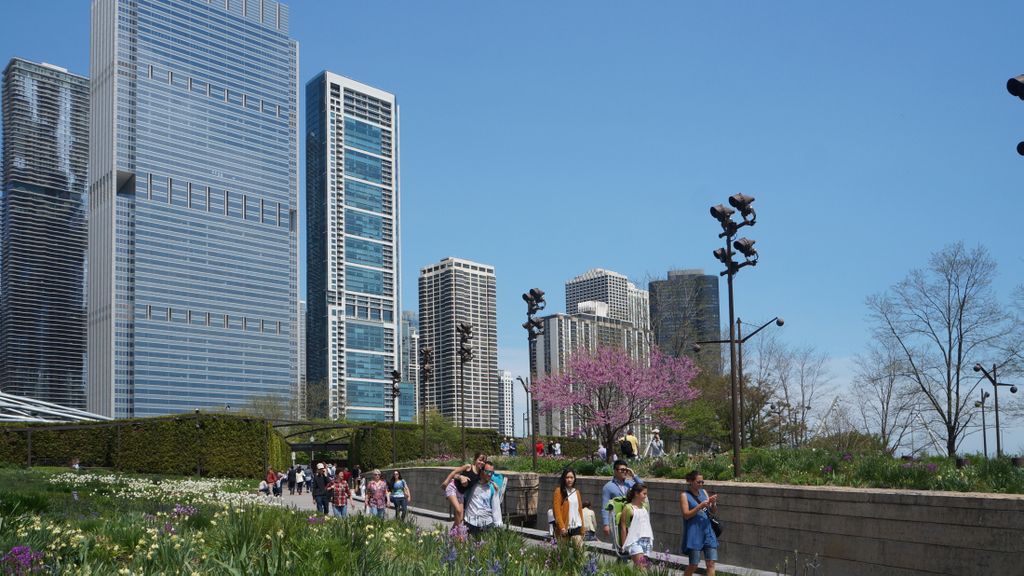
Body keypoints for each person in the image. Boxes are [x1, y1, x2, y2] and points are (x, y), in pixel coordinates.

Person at [681, 470, 719, 576]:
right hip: (694, 533)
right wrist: (699, 506)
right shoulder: (685, 495)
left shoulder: (704, 492)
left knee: (711, 563)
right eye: (698, 482)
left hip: (708, 532)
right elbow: (686, 515)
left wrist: (713, 504)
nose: (701, 484)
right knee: (694, 565)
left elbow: (712, 511)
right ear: (690, 481)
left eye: (702, 482)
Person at [441, 452, 487, 529]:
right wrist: (446, 482)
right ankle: (456, 535)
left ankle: (452, 534)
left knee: (460, 518)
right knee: (458, 511)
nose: (481, 462)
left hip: (461, 493)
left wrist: (494, 484)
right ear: (475, 459)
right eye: (480, 460)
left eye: (483, 461)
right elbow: (455, 472)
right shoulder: (468, 467)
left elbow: (488, 478)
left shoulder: (480, 474)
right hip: (453, 487)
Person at [601, 460, 642, 538]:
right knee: (620, 543)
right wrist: (606, 524)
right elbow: (605, 506)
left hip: (632, 518)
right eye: (622, 470)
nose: (625, 472)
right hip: (617, 520)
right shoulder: (608, 487)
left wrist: (634, 475)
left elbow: (642, 488)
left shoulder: (630, 483)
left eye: (626, 470)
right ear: (615, 471)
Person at [462, 460, 503, 536]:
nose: (489, 474)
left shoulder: (493, 488)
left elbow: (496, 509)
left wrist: (499, 527)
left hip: (486, 524)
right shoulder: (472, 484)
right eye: (487, 472)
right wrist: (460, 477)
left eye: (491, 472)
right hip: (470, 523)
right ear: (481, 471)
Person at [619, 482, 654, 568]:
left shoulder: (645, 506)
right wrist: (624, 546)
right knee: (641, 568)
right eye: (644, 493)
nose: (646, 496)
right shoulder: (628, 508)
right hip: (634, 541)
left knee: (643, 568)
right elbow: (623, 527)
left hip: (646, 540)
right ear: (636, 493)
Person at [552, 468, 584, 546]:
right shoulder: (559, 491)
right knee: (563, 554)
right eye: (567, 477)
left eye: (571, 477)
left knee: (579, 551)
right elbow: (557, 511)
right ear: (563, 478)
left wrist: (583, 528)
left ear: (574, 479)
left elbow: (579, 511)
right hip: (565, 527)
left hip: (576, 526)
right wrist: (561, 527)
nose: (569, 480)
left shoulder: (576, 492)